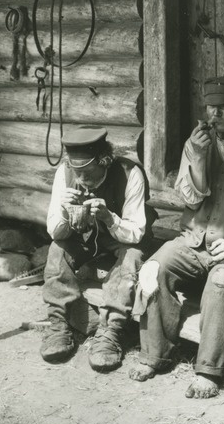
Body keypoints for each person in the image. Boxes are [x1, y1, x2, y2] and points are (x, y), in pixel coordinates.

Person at [129, 76, 224, 398]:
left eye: (222, 108)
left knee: (220, 283)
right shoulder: (195, 143)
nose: (214, 115)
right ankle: (154, 354)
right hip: (193, 240)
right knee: (154, 270)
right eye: (210, 108)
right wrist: (196, 157)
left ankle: (209, 370)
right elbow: (191, 201)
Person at [40, 126, 154, 371]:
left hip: (122, 240)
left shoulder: (129, 173)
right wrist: (63, 209)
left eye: (88, 172)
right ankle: (59, 325)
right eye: (76, 172)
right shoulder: (65, 173)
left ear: (105, 160)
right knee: (57, 249)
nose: (81, 179)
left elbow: (135, 234)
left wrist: (108, 217)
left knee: (132, 257)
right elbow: (55, 232)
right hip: (85, 241)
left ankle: (111, 332)